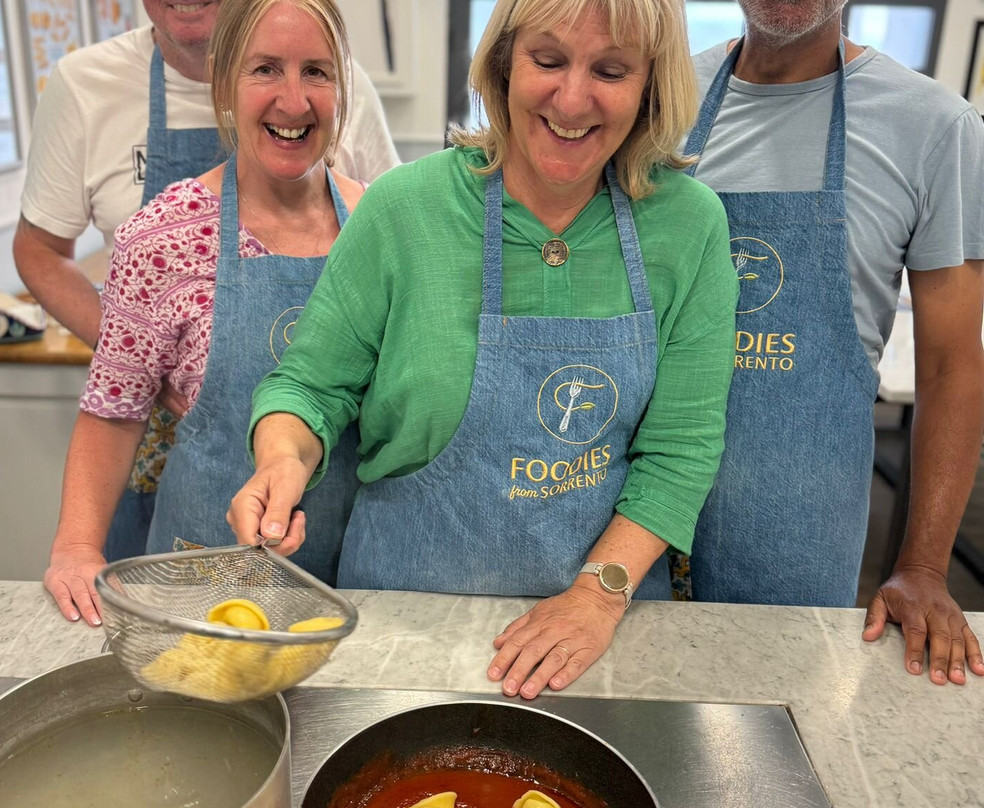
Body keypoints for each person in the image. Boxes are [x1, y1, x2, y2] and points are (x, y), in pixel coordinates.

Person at [228, 0, 738, 698]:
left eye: (611, 70)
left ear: (652, 84)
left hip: (595, 637)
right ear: (503, 63)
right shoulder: (406, 210)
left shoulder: (690, 225)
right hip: (401, 624)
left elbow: (682, 448)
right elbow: (310, 386)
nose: (572, 98)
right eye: (548, 60)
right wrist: (282, 459)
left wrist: (596, 597)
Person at [14, 0, 399, 563]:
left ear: (345, 88)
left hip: (361, 562)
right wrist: (75, 546)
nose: (293, 100)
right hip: (207, 563)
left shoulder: (383, 228)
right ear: (224, 83)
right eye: (264, 69)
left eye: (316, 71)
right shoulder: (161, 238)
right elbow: (113, 410)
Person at [684, 0, 984, 685]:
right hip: (636, 517)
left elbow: (952, 365)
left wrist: (923, 566)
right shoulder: (660, 95)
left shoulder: (937, 128)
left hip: (798, 525)